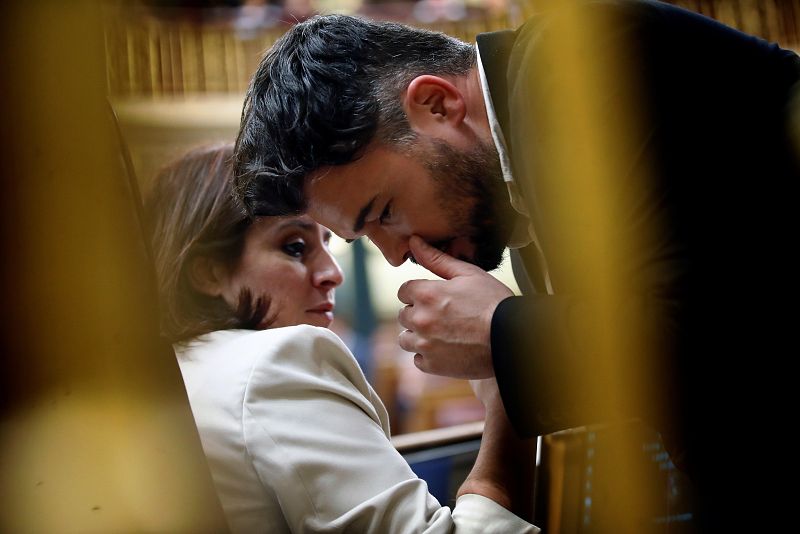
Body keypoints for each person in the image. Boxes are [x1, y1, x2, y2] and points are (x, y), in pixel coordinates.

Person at [232, 1, 800, 530]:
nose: (398, 253)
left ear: (437, 103)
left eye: (384, 212)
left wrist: (501, 332)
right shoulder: (518, 197)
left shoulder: (579, 63)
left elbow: (718, 345)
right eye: (366, 237)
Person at [144, 143, 539, 533]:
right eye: (295, 247)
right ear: (209, 273)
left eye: (328, 244)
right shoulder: (277, 360)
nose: (333, 273)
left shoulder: (174, 370)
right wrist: (511, 394)